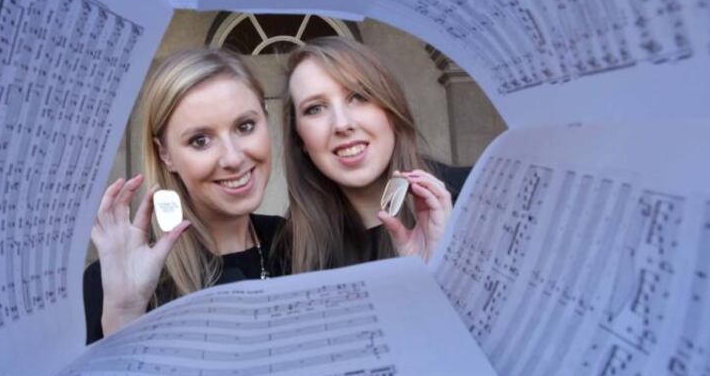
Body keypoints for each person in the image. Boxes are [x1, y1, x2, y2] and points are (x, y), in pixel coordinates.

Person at [85, 49, 284, 343]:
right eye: (200, 141)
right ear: (165, 154)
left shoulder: (298, 245)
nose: (232, 158)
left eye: (245, 126)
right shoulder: (117, 280)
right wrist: (124, 314)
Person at [276, 36, 454, 273]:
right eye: (315, 109)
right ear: (300, 140)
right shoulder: (287, 253)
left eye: (358, 96)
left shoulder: (474, 200)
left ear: (391, 109)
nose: (342, 124)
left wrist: (442, 267)